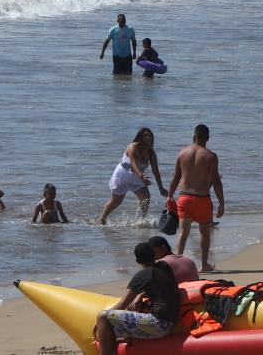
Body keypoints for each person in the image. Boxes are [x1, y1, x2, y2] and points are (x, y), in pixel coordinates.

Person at [93, 242, 181, 352]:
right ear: (154, 255)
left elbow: (122, 304)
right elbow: (161, 286)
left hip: (158, 325)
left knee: (102, 316)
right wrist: (141, 294)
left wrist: (99, 323)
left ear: (137, 261)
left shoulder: (143, 275)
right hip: (171, 323)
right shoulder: (164, 267)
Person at [167, 124, 224, 272]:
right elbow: (216, 181)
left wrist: (169, 195)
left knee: (183, 234)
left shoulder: (182, 153)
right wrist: (221, 203)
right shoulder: (210, 156)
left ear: (194, 137)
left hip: (184, 198)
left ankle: (176, 265)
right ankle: (204, 265)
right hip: (202, 199)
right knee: (204, 233)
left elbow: (175, 177)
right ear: (208, 138)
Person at [101, 128, 166, 223]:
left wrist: (161, 188)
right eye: (145, 136)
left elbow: (156, 171)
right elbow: (133, 163)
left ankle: (139, 221)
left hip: (137, 176)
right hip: (123, 174)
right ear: (140, 137)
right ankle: (102, 219)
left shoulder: (151, 153)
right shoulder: (132, 147)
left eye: (150, 136)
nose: (148, 138)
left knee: (146, 197)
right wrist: (142, 177)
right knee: (116, 201)